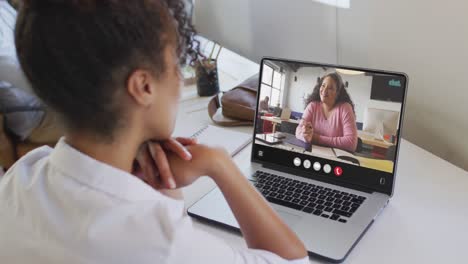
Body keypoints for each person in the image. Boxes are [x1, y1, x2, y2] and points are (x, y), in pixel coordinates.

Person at [0, 1, 308, 263]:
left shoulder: (18, 181)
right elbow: (294, 260)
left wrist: (163, 188)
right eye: (175, 64)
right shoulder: (160, 244)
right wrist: (219, 165)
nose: (177, 77)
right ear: (144, 87)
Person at [296, 72, 358, 153]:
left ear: (337, 93)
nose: (324, 90)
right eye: (323, 85)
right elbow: (298, 130)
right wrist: (305, 136)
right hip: (312, 154)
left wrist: (316, 138)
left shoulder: (345, 108)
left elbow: (351, 143)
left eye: (330, 88)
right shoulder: (312, 106)